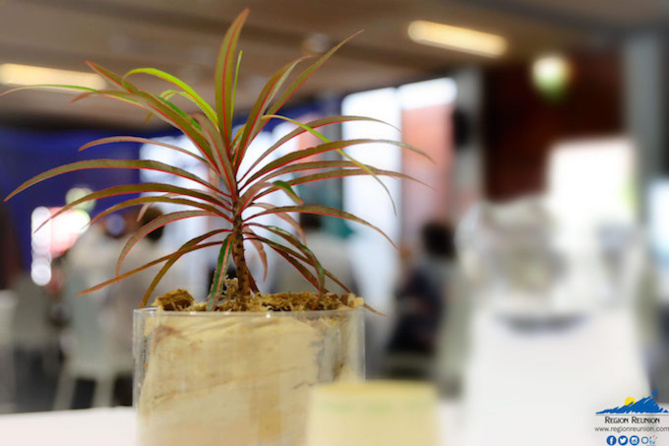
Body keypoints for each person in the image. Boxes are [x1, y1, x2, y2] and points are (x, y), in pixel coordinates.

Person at [386, 221, 456, 373]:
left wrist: (404, 265)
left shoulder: (423, 267)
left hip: (411, 342)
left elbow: (398, 295)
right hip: (438, 343)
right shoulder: (453, 269)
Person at [271, 213, 358, 295]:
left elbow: (271, 292)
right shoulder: (339, 249)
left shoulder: (286, 252)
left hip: (291, 305)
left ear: (299, 224)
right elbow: (355, 293)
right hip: (334, 305)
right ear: (321, 224)